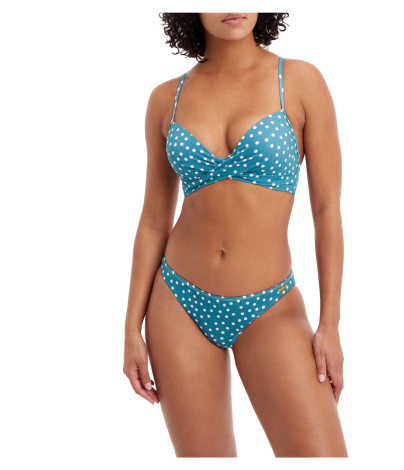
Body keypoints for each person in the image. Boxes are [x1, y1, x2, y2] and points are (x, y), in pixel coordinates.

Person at [123, 12, 347, 457]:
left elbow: (326, 211)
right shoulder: (166, 98)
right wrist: (131, 326)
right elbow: (153, 221)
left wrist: (330, 323)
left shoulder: (299, 81)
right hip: (178, 303)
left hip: (271, 306)